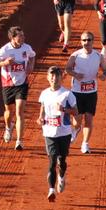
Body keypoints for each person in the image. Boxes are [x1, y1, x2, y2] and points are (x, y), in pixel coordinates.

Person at [0, 26, 36, 150]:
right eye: (20, 36)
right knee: (9, 112)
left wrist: (31, 65)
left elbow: (32, 55)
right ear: (13, 38)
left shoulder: (27, 48)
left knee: (20, 111)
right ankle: (8, 127)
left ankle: (19, 141)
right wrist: (4, 63)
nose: (23, 38)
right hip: (8, 85)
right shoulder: (5, 50)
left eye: (23, 35)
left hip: (22, 84)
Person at [37, 66, 77, 202]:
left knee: (62, 160)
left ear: (62, 77)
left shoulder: (67, 94)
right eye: (52, 76)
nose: (54, 78)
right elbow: (42, 110)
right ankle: (51, 190)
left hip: (64, 132)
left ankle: (62, 176)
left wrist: (64, 109)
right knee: (52, 160)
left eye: (57, 76)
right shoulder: (44, 94)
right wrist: (40, 118)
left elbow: (75, 112)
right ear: (48, 78)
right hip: (49, 132)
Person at [66, 31, 106, 154]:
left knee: (89, 119)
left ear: (93, 41)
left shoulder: (98, 56)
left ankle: (85, 143)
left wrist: (103, 75)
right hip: (77, 92)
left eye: (89, 40)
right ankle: (76, 129)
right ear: (81, 41)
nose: (86, 42)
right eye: (84, 40)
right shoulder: (75, 55)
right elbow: (67, 69)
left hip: (91, 92)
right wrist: (75, 74)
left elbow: (105, 69)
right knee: (77, 120)